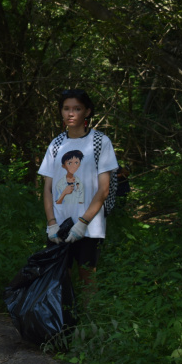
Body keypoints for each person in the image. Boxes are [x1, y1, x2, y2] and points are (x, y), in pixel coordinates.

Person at [38, 88, 118, 287]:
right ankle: (64, 318)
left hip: (89, 226)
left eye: (76, 108)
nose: (70, 113)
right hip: (60, 225)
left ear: (87, 112)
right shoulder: (56, 144)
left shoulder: (101, 142)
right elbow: (47, 189)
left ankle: (91, 318)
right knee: (59, 276)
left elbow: (103, 189)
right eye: (66, 108)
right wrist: (51, 223)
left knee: (87, 277)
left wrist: (83, 223)